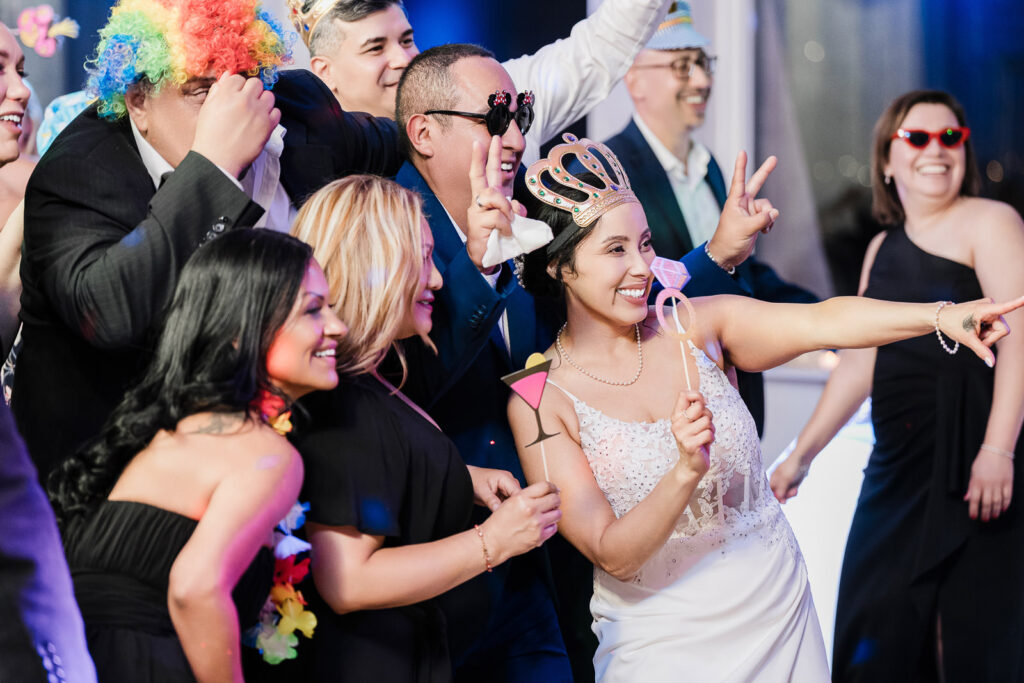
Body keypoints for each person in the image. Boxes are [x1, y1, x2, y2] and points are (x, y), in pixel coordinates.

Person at [507, 133, 1024, 682]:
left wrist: (941, 317)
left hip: (778, 613)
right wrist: (685, 470)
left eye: (646, 243)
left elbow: (823, 321)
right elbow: (612, 554)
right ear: (560, 267)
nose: (642, 266)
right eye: (616, 250)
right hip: (661, 644)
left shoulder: (693, 323)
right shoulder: (537, 397)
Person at [393, 42, 781, 681]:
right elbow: (398, 380)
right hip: (433, 567)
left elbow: (613, 302)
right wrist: (480, 264)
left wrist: (719, 254)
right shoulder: (387, 223)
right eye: (495, 117)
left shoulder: (528, 223)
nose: (515, 135)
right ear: (425, 131)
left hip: (538, 571)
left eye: (520, 113)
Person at [13, 0, 402, 482]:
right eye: (201, 91)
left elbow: (399, 140)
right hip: (110, 477)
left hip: (284, 452)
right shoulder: (80, 169)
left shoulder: (295, 110)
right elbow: (108, 314)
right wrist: (213, 165)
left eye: (240, 80)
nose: (231, 107)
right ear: (138, 101)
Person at [769, 90, 1024, 681]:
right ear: (887, 159)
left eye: (950, 138)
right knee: (873, 631)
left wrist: (998, 449)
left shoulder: (992, 222)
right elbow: (860, 366)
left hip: (972, 464)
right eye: (917, 138)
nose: (935, 150)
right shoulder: (883, 247)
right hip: (898, 471)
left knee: (968, 643)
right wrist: (800, 457)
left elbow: (1020, 342)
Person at [286, 174, 561, 682]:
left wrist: (462, 477)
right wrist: (494, 543)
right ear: (374, 262)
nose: (437, 280)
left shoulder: (371, 380)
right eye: (423, 258)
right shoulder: (343, 400)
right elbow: (347, 580)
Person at [48, 229, 347, 682]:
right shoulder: (266, 453)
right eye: (312, 309)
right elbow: (195, 588)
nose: (338, 326)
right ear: (241, 330)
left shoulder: (164, 432)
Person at [605, 1, 816, 435]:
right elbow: (621, 297)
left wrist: (823, 314)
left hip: (737, 390)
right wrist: (718, 253)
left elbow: (740, 273)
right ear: (634, 79)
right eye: (682, 66)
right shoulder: (608, 170)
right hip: (669, 406)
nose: (702, 79)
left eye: (703, 63)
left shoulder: (711, 167)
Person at [290, 0, 672, 165]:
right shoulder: (315, 164)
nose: (404, 59)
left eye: (406, 39)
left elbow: (598, 49)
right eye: (375, 48)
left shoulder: (496, 101)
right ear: (325, 72)